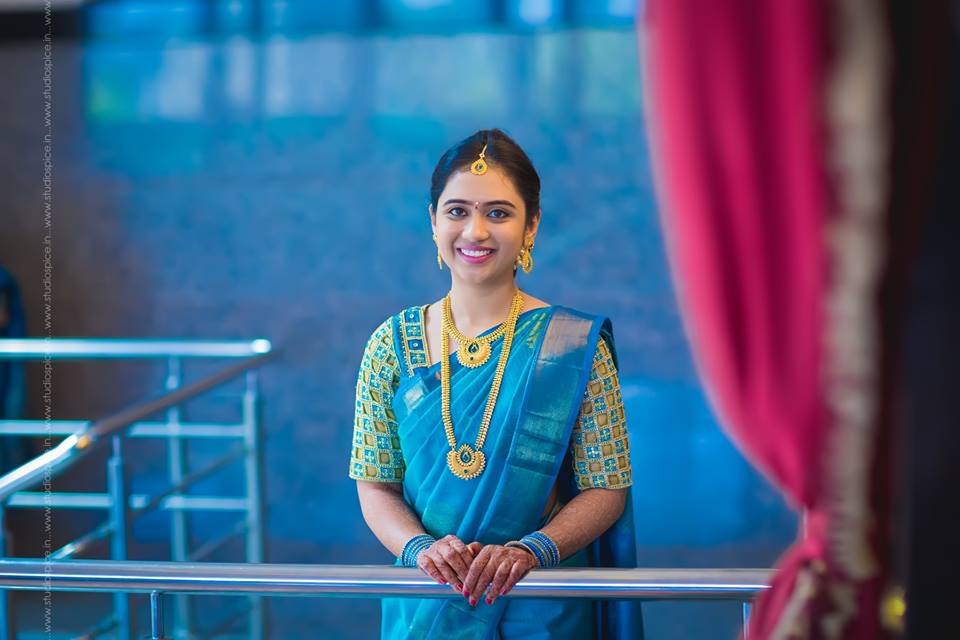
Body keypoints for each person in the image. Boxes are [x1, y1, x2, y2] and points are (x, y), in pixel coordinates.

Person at [349, 129, 640, 639]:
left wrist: (531, 552)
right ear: (433, 222)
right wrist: (422, 550)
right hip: (426, 601)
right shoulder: (389, 345)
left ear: (531, 226)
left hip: (540, 604)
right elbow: (375, 484)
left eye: (499, 213)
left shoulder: (575, 346)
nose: (475, 231)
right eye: (457, 211)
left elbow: (606, 487)